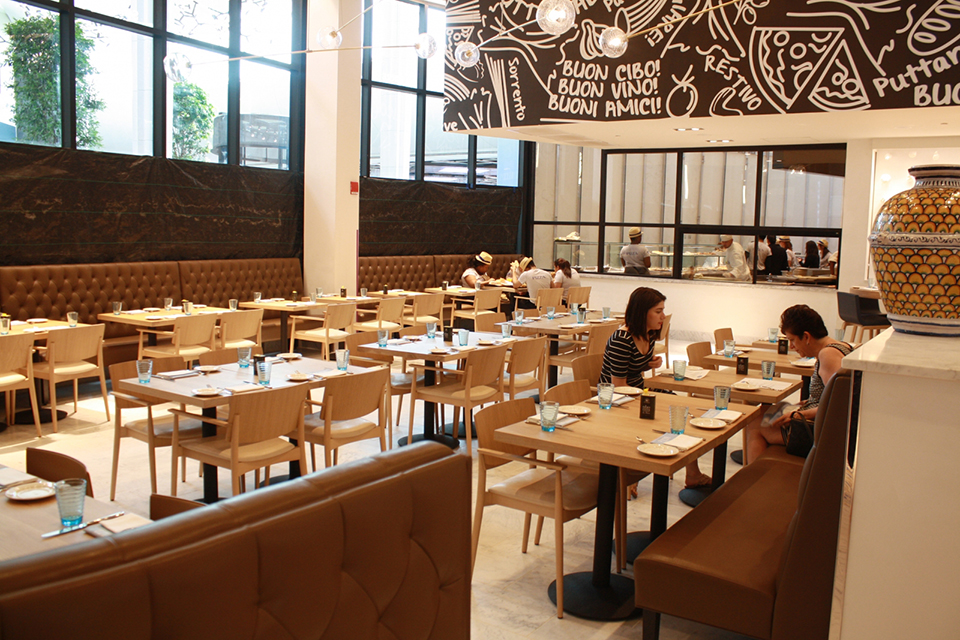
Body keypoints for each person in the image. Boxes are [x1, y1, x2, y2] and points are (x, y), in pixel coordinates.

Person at [600, 287, 712, 489]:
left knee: (682, 410)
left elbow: (632, 369)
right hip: (616, 398)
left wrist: (648, 364)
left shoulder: (649, 335)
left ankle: (691, 472)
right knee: (671, 412)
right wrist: (649, 396)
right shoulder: (621, 340)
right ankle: (644, 467)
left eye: (663, 311)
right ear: (642, 312)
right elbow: (617, 386)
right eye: (658, 311)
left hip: (637, 389)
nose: (663, 316)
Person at [745, 304, 854, 462]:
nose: (792, 347)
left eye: (793, 340)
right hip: (821, 425)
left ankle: (756, 479)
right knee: (763, 412)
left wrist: (801, 414)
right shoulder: (842, 346)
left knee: (755, 423)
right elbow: (830, 395)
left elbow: (839, 404)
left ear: (807, 336)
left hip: (819, 432)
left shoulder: (827, 355)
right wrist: (808, 402)